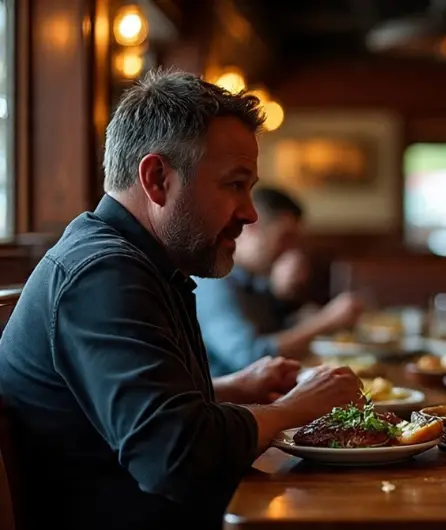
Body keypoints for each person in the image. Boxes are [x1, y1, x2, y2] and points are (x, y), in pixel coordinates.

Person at [0, 69, 364, 530]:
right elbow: (176, 455)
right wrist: (295, 408)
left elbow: (122, 415)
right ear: (157, 179)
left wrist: (230, 387)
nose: (249, 214)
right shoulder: (103, 274)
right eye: (234, 184)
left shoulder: (141, 262)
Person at [194, 186, 363, 376]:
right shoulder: (211, 281)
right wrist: (328, 320)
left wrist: (289, 300)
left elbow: (278, 330)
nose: (291, 250)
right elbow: (251, 357)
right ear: (250, 228)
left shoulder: (255, 279)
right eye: (285, 237)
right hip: (230, 402)